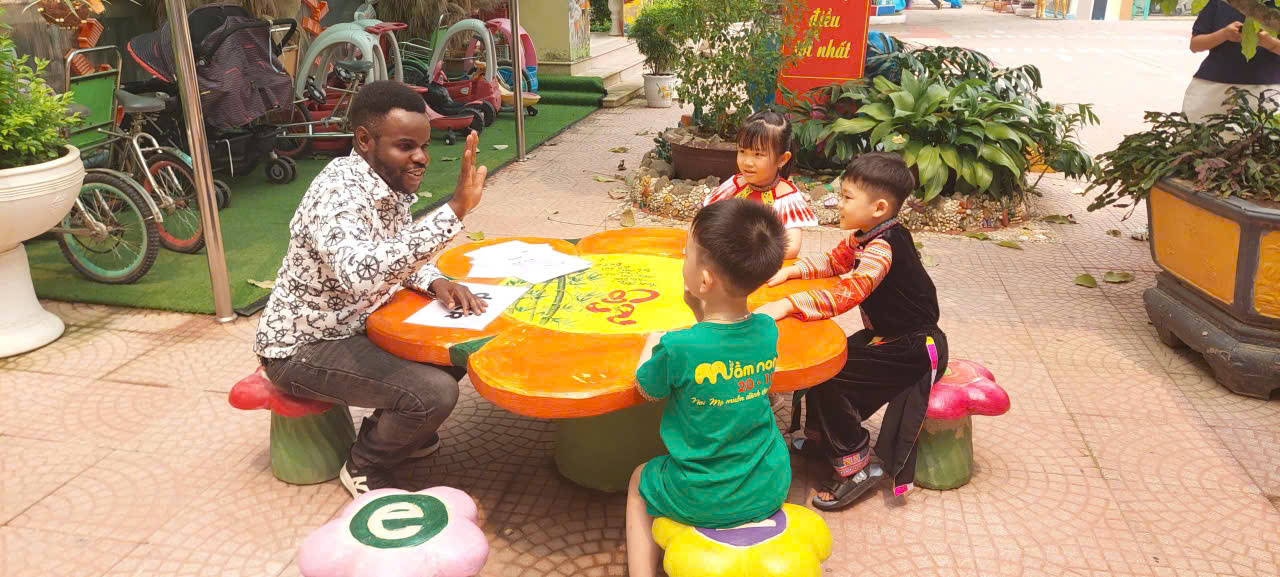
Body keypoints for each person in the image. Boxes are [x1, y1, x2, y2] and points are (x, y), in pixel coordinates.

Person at [253, 80, 490, 498]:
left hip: (357, 325)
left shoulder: (384, 181)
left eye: (423, 145)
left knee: (451, 345)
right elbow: (362, 273)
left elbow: (394, 251)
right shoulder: (338, 194)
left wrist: (435, 280)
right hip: (304, 347)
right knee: (434, 393)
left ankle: (399, 430)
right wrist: (453, 210)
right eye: (405, 146)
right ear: (364, 140)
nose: (421, 157)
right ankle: (366, 464)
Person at [756, 152, 947, 511]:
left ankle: (858, 466)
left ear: (879, 208)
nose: (837, 203)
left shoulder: (882, 248)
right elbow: (833, 262)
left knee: (833, 377)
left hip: (914, 347)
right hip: (890, 337)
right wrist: (791, 272)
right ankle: (823, 442)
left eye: (846, 197)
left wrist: (789, 304)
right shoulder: (865, 236)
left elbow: (850, 290)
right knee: (825, 361)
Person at [626, 199, 792, 577]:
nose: (683, 260)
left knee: (638, 480)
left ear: (703, 281)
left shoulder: (679, 346)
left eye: (686, 254)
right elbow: (722, 346)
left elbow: (648, 388)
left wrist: (652, 343)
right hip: (769, 482)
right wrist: (698, 312)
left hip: (702, 494)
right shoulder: (767, 330)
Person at [700, 110, 817, 259]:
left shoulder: (787, 198)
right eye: (742, 151)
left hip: (762, 268)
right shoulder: (733, 186)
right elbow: (705, 221)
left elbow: (792, 247)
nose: (747, 162)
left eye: (758, 154)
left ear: (782, 159)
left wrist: (746, 255)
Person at [1183, 0, 1280, 123]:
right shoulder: (1219, 3)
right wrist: (1224, 34)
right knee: (1195, 131)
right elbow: (1195, 45)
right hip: (1211, 85)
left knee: (1257, 134)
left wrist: (1269, 43)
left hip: (1264, 89)